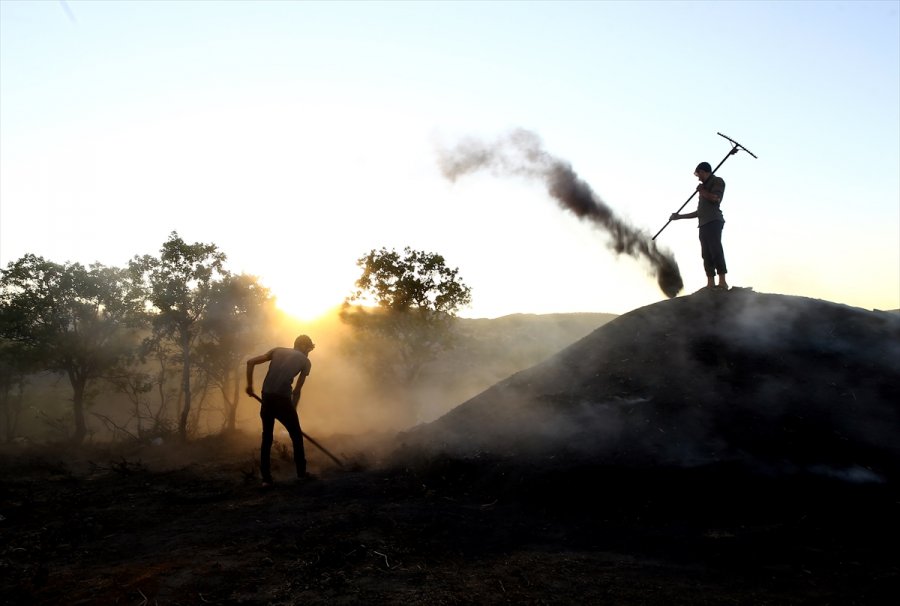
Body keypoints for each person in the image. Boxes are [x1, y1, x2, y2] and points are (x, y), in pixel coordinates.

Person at [246, 334, 316, 488]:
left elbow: (250, 362)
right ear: (303, 346)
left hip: (267, 398)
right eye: (308, 349)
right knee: (296, 436)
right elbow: (296, 391)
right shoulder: (306, 362)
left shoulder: (276, 350)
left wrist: (249, 386)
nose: (308, 353)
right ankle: (302, 475)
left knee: (267, 438)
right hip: (283, 400)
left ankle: (266, 479)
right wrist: (292, 410)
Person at [670, 161, 729, 290]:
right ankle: (710, 283)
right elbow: (700, 212)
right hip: (703, 223)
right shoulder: (704, 188)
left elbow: (715, 198)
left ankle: (722, 282)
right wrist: (679, 217)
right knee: (706, 253)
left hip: (714, 221)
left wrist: (702, 191)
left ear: (702, 171)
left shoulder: (717, 181)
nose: (698, 178)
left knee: (715, 250)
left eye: (698, 174)